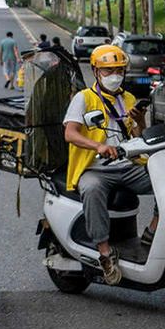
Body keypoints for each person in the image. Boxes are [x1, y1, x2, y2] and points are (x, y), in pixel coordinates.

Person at [63, 44, 153, 285]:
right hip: (95, 168)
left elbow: (139, 137)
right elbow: (70, 134)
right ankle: (104, 252)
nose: (115, 76)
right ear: (95, 71)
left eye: (119, 70)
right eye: (108, 71)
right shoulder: (84, 98)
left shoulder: (129, 98)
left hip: (127, 165)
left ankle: (151, 233)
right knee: (91, 190)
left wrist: (140, 120)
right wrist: (98, 147)